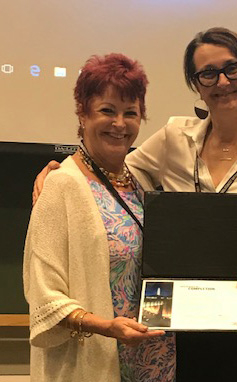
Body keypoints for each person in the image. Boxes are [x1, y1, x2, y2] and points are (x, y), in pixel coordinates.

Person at [33, 28, 237, 382]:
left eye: (233, 68)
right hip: (180, 314)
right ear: (196, 85)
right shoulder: (173, 139)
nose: (222, 82)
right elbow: (113, 172)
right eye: (207, 74)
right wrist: (57, 171)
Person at [24, 53, 176, 382]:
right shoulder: (61, 186)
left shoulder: (142, 183)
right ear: (83, 114)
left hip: (154, 356)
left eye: (130, 113)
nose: (119, 124)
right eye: (107, 111)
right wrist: (105, 327)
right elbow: (43, 293)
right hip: (94, 359)